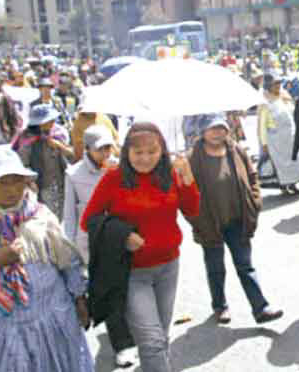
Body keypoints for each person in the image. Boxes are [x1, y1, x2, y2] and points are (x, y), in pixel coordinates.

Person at [0, 148, 93, 371]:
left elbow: (67, 260)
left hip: (48, 323)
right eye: (3, 182)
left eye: (17, 181)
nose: (12, 189)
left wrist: (80, 297)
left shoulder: (40, 216)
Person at [81, 122, 200, 372]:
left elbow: (192, 211)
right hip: (132, 272)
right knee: (152, 341)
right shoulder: (114, 178)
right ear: (126, 152)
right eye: (138, 153)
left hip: (169, 266)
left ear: (162, 150)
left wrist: (188, 179)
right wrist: (123, 234)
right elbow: (88, 220)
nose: (145, 158)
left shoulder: (171, 172)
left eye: (152, 152)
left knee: (161, 337)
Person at [187, 114, 284, 325]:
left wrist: (255, 201)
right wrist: (196, 220)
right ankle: (220, 306)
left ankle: (261, 308)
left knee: (245, 265)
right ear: (202, 132)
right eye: (212, 129)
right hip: (209, 222)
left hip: (237, 220)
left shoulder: (236, 150)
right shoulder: (192, 157)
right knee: (215, 268)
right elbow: (185, 192)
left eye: (221, 128)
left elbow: (252, 176)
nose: (217, 133)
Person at [63, 125, 136, 367]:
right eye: (100, 149)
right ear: (87, 150)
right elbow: (70, 214)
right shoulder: (74, 174)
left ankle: (135, 331)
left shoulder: (121, 167)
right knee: (110, 292)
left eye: (108, 148)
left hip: (122, 237)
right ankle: (122, 345)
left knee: (130, 288)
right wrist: (72, 248)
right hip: (93, 240)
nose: (106, 154)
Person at [13, 104, 75, 218]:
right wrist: (30, 181)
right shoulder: (27, 140)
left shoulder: (58, 134)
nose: (52, 122)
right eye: (49, 120)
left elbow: (72, 156)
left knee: (61, 216)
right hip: (41, 186)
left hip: (59, 183)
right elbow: (22, 165)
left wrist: (59, 146)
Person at [258, 74, 299, 195]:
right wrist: (264, 143)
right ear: (268, 86)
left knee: (294, 161)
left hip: (290, 136)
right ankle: (284, 186)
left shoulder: (284, 97)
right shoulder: (264, 103)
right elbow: (262, 125)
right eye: (275, 84)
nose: (278, 86)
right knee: (280, 163)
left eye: (279, 84)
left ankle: (293, 183)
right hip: (276, 139)